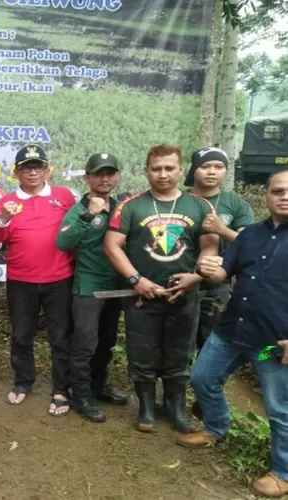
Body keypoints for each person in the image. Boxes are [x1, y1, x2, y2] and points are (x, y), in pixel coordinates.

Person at [178, 169, 288, 498]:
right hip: (232, 332)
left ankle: (283, 471)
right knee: (203, 377)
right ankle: (216, 427)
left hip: (273, 345)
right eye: (277, 191)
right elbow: (223, 271)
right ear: (266, 195)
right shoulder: (250, 234)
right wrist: (209, 269)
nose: (284, 197)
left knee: (278, 406)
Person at [105, 144, 219, 433]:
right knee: (142, 351)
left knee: (180, 353)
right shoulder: (130, 206)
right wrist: (136, 280)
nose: (163, 174)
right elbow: (112, 246)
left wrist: (196, 276)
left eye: (169, 168)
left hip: (185, 295)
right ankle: (146, 406)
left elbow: (210, 247)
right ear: (146, 171)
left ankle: (175, 407)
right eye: (156, 169)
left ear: (181, 170)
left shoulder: (199, 206)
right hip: (142, 296)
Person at [0, 145, 76, 415]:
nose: (33, 172)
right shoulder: (7, 201)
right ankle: (23, 382)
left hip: (59, 279)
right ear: (16, 173)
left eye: (38, 166)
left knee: (60, 337)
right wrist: (4, 218)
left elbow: (76, 232)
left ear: (47, 170)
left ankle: (61, 389)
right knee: (21, 335)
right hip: (21, 281)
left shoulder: (64, 196)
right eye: (26, 167)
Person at [55, 153, 128, 423]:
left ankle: (99, 385)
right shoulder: (78, 210)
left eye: (110, 173)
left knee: (107, 342)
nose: (104, 179)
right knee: (85, 343)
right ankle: (81, 395)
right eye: (98, 174)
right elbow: (63, 243)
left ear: (118, 176)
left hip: (117, 286)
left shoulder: (124, 208)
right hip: (89, 287)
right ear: (87, 178)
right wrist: (89, 215)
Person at [184, 147, 254, 417]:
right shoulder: (179, 199)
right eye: (205, 166)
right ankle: (174, 400)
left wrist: (221, 229)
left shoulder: (235, 204)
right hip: (180, 284)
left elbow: (251, 245)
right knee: (181, 346)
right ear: (194, 170)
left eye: (218, 166)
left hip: (217, 287)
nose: (212, 172)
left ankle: (205, 405)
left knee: (212, 344)